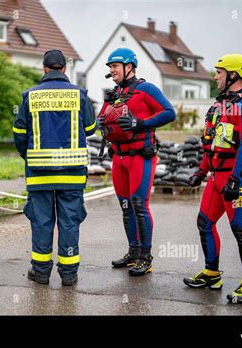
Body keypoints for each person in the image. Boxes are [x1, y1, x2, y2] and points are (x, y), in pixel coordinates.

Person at [183, 54, 242, 303]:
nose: (215, 76)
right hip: (216, 176)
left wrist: (235, 178)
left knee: (239, 228)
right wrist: (200, 172)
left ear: (233, 74)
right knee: (204, 222)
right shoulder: (219, 105)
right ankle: (212, 273)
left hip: (238, 177)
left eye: (219, 72)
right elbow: (210, 143)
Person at [13, 49, 97, 286]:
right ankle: (69, 274)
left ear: (43, 68)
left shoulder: (30, 96)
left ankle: (40, 272)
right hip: (72, 175)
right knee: (69, 222)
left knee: (41, 221)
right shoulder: (80, 95)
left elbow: (19, 133)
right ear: (64, 69)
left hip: (40, 174)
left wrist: (28, 156)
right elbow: (91, 129)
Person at [99, 48, 176, 276]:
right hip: (119, 158)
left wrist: (140, 123)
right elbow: (101, 118)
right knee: (125, 206)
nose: (111, 70)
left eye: (115, 66)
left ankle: (146, 257)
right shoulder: (114, 93)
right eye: (109, 67)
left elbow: (169, 113)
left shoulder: (146, 89)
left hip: (141, 157)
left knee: (139, 205)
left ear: (129, 67)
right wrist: (101, 119)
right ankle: (133, 252)